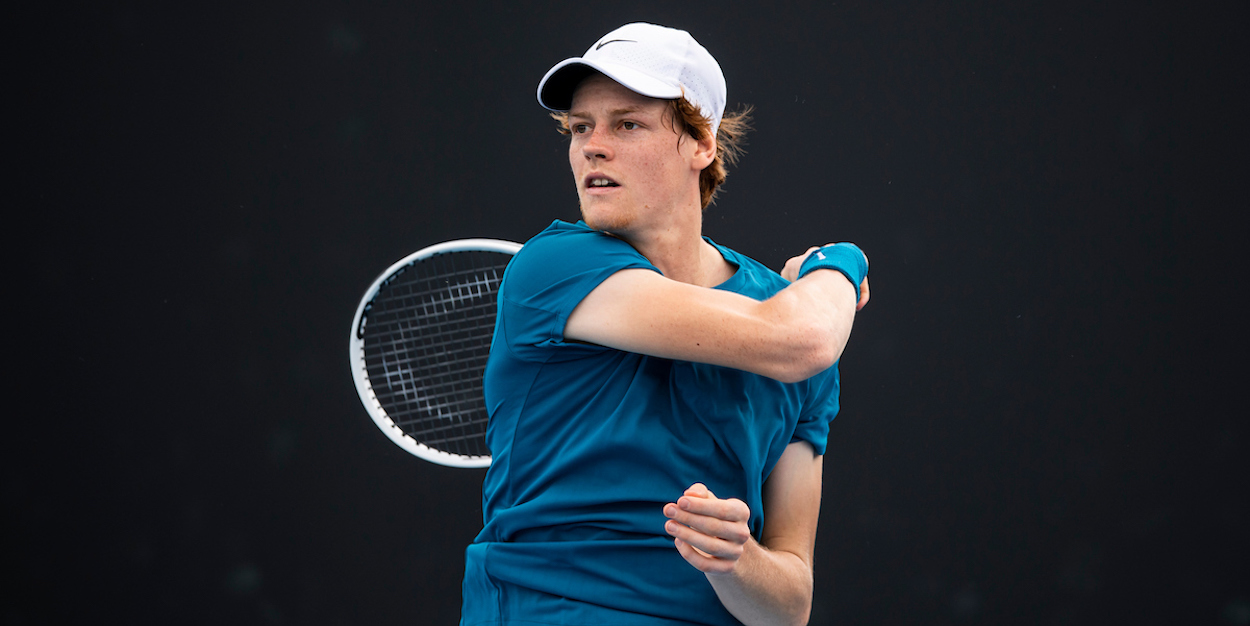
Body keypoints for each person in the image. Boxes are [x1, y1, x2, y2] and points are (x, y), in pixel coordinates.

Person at [461, 23, 870, 626]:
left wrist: (734, 559)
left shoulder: (788, 313)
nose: (593, 147)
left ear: (701, 143)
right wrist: (842, 265)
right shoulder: (553, 267)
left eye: (627, 124)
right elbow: (801, 339)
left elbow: (787, 608)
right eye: (580, 128)